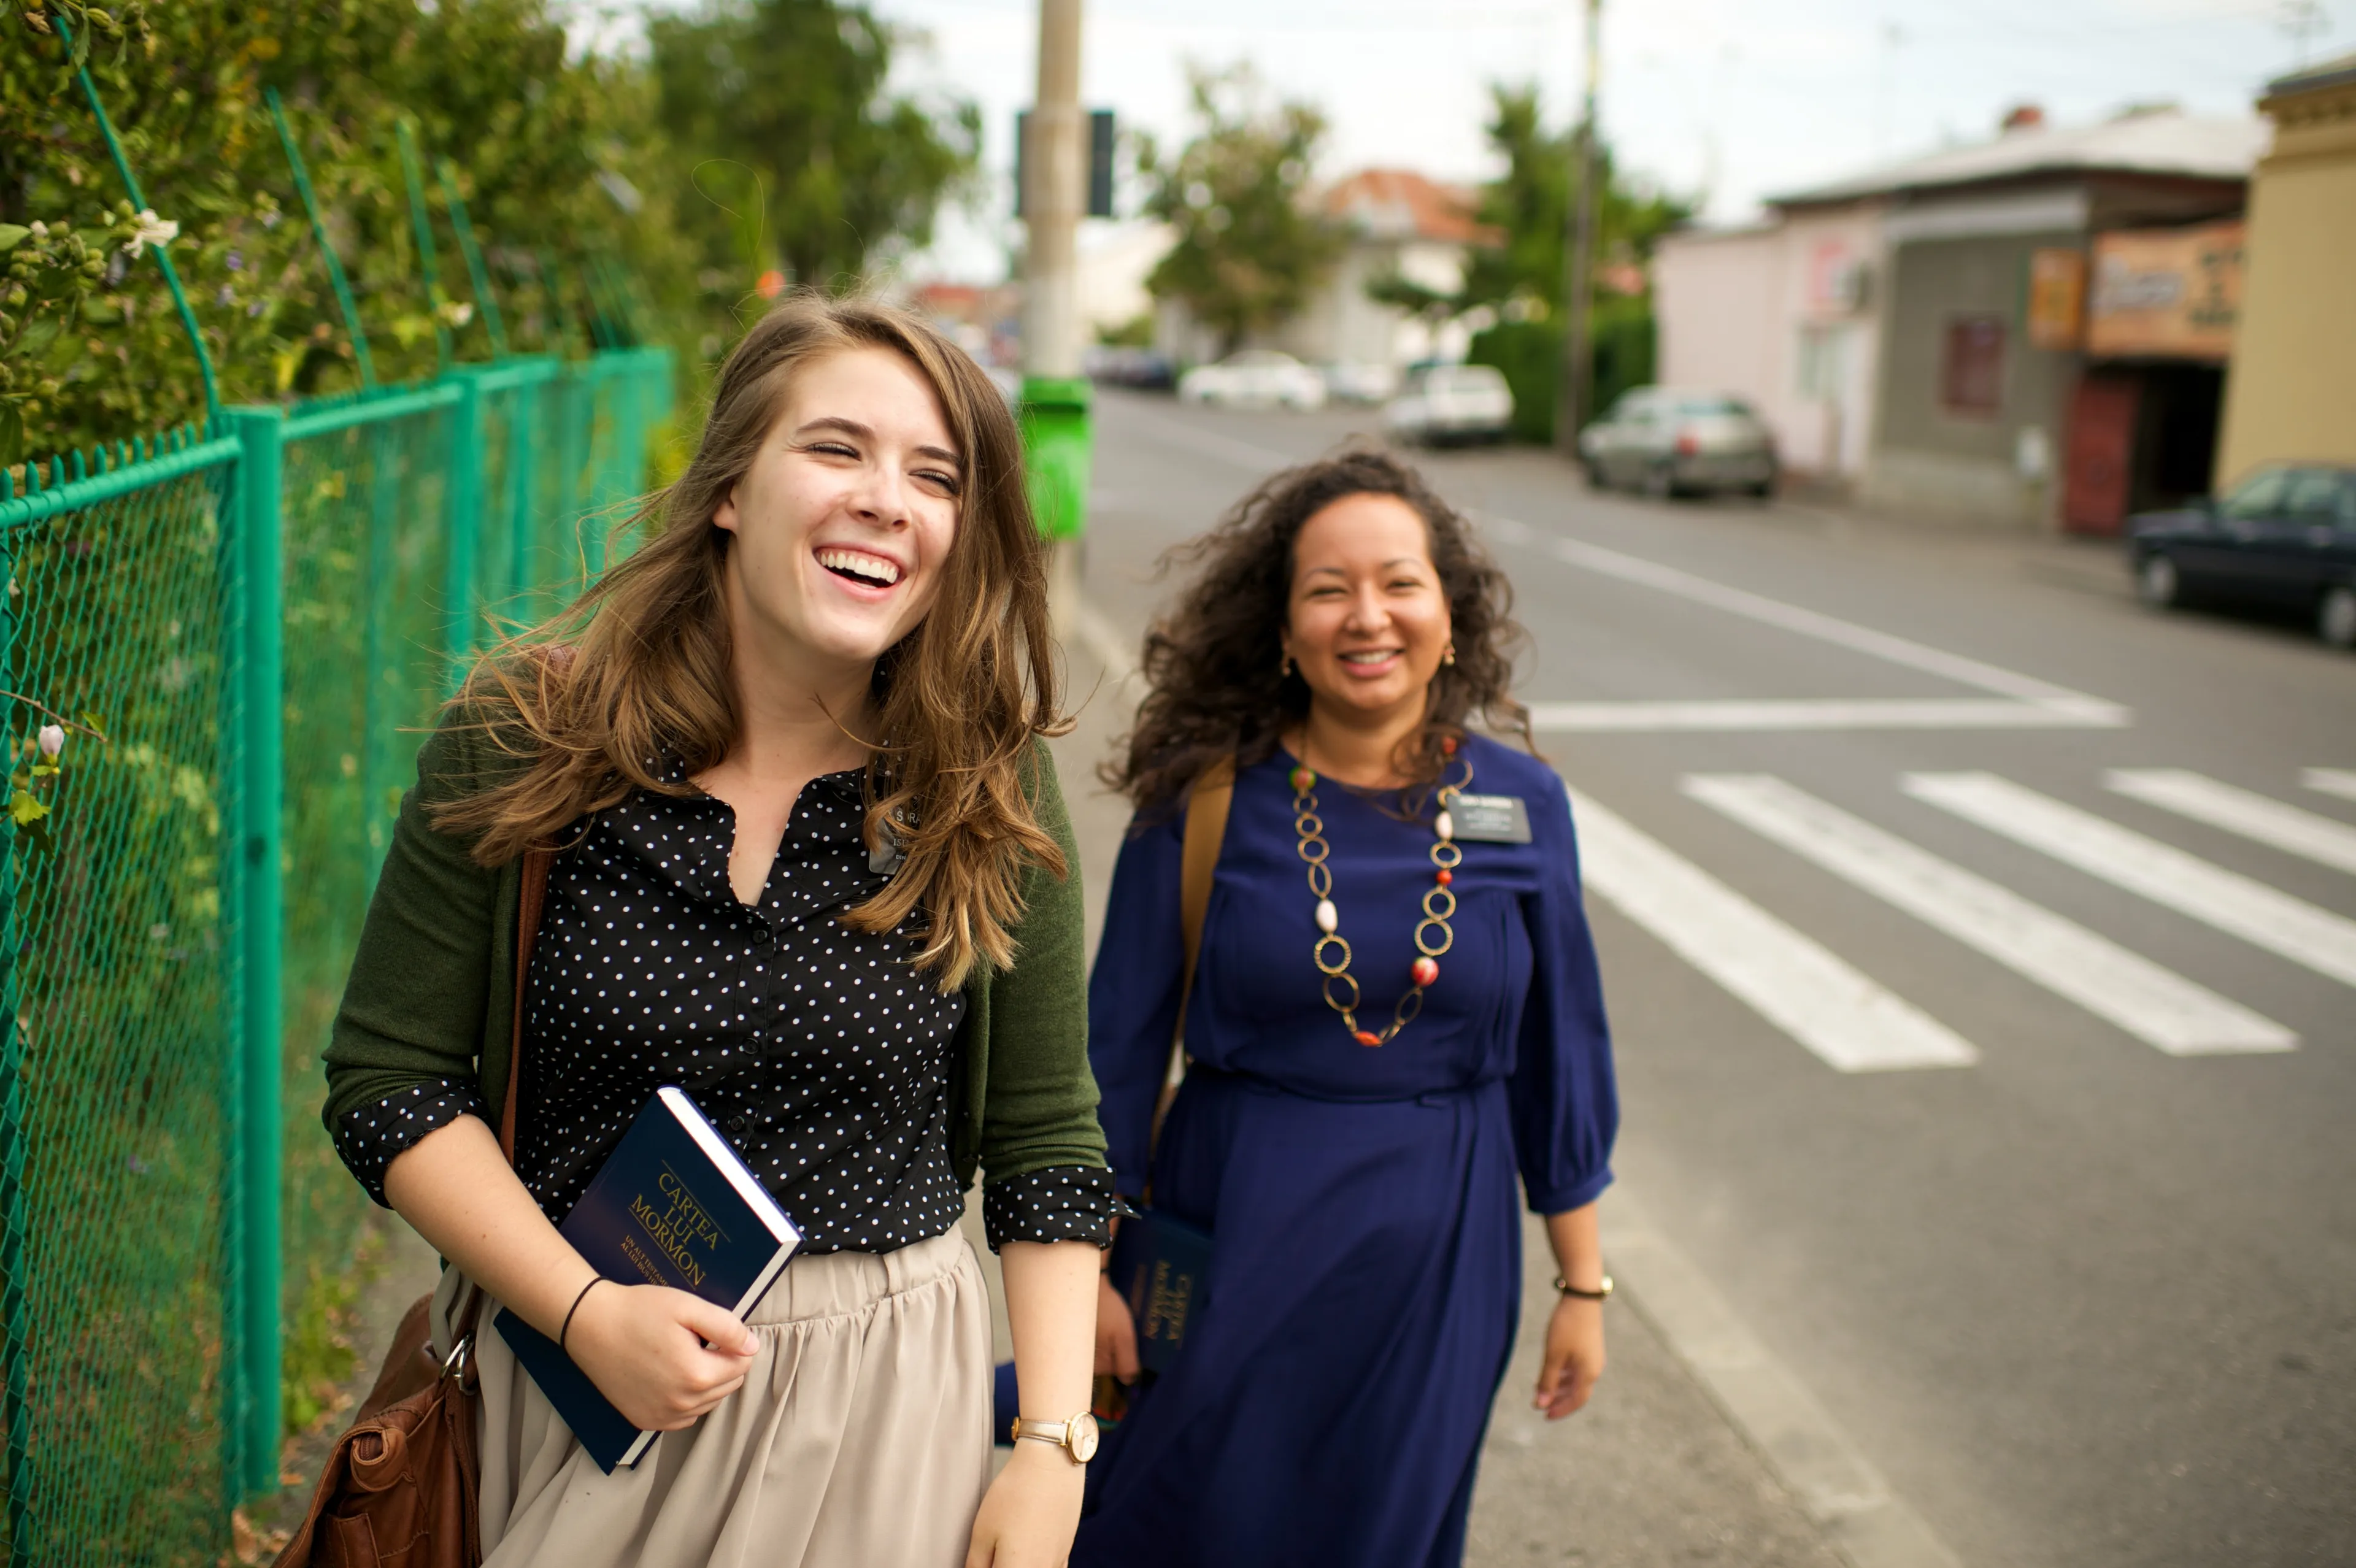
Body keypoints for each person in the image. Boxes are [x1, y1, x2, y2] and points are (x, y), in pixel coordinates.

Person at [321, 294, 1112, 1568]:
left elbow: (1047, 1141)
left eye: (935, 475)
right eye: (837, 448)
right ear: (733, 486)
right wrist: (581, 1316)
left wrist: (1052, 1445)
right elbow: (389, 1082)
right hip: (581, 1386)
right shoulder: (528, 735)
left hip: (883, 1414)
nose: (884, 499)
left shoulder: (987, 788)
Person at [1074, 447, 1619, 1568]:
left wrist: (1584, 1284)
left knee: (1383, 1533)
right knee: (1178, 1518)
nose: (1367, 616)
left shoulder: (1525, 804)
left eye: (1399, 584)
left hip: (1442, 1252)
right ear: (1283, 630)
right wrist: (1084, 1273)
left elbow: (1562, 1054)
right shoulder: (1203, 800)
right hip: (1230, 1225)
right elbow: (1113, 1058)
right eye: (1328, 589)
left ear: (1449, 616)